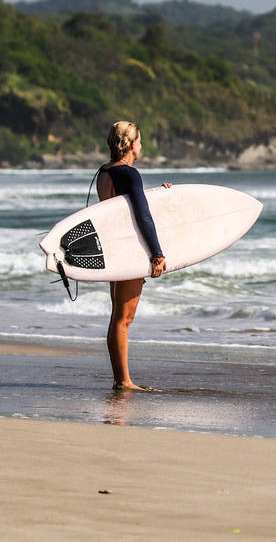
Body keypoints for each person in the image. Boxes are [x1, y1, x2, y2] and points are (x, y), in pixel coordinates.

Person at [96, 121, 170, 390]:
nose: (141, 145)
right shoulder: (129, 173)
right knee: (124, 318)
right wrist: (156, 254)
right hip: (129, 248)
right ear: (129, 144)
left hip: (113, 246)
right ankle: (123, 381)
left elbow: (123, 206)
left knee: (118, 315)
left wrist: (160, 195)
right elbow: (142, 216)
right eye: (139, 140)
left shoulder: (105, 172)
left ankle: (121, 379)